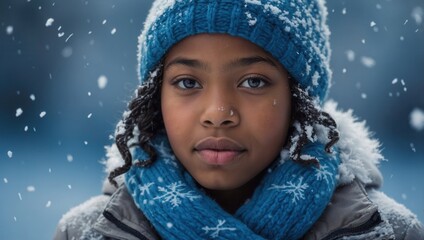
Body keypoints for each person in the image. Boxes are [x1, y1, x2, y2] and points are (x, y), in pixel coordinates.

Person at [54, 0, 424, 239]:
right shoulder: (86, 233)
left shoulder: (390, 233)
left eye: (253, 82)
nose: (218, 114)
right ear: (155, 97)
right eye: (187, 82)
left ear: (300, 100)